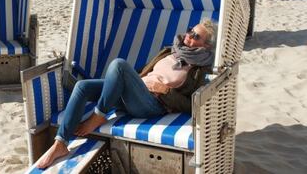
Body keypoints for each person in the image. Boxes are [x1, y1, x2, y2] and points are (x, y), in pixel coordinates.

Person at [36, 19, 216, 169]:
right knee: (83, 86)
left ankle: (98, 116)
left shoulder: (200, 70)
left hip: (152, 104)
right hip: (135, 92)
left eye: (196, 36)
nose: (189, 36)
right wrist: (127, 82)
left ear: (206, 46)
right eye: (190, 31)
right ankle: (60, 144)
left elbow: (192, 104)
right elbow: (143, 72)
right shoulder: (170, 51)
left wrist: (165, 90)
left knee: (119, 65)